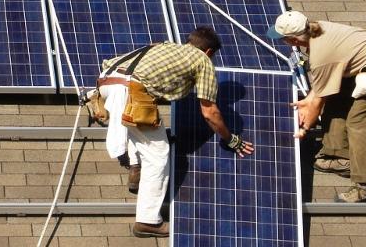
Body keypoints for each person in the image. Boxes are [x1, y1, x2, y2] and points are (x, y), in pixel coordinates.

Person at [98, 26, 254, 238]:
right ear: (209, 52)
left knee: (135, 126)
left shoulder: (163, 46)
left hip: (107, 82)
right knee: (159, 155)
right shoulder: (202, 60)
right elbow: (209, 111)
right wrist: (231, 139)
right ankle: (148, 221)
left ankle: (136, 169)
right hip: (130, 92)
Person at [267, 10, 366, 203]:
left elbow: (318, 101)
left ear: (293, 40)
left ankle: (365, 187)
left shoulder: (322, 54)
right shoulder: (315, 29)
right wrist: (309, 99)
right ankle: (339, 157)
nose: (283, 43)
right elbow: (322, 86)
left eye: (283, 39)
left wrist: (304, 129)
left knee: (360, 124)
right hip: (360, 66)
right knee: (336, 99)